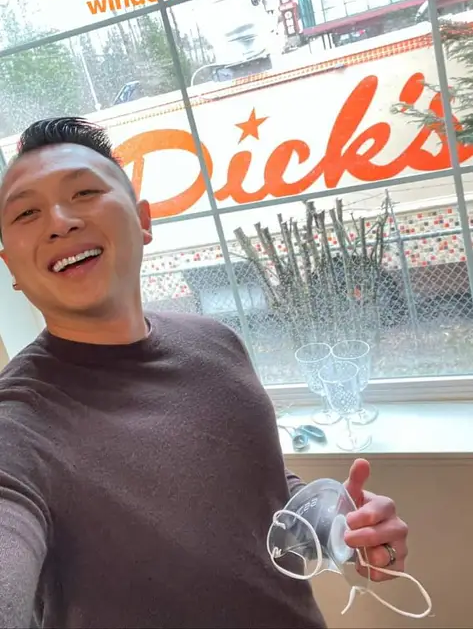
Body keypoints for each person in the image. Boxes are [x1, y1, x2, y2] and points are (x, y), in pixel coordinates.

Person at [0, 117, 408, 629]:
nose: (59, 222)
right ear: (10, 267)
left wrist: (341, 528)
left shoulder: (216, 341)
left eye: (84, 192)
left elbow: (261, 490)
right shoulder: (17, 425)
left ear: (143, 220)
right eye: (27, 212)